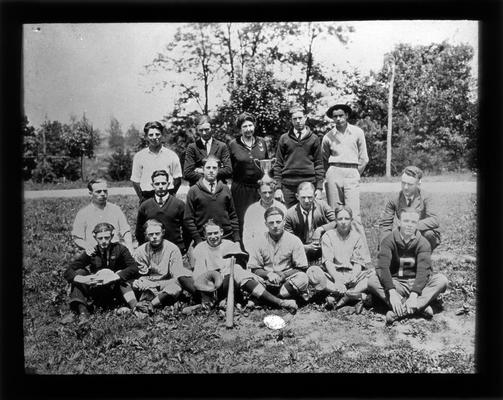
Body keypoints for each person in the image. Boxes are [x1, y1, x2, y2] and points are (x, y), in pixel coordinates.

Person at [191, 220, 298, 312]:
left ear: (221, 232)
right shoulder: (200, 248)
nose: (213, 237)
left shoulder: (229, 245)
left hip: (231, 282)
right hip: (212, 287)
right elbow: (199, 276)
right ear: (205, 235)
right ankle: (276, 301)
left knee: (236, 271)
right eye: (209, 234)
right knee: (232, 273)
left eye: (215, 233)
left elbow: (241, 266)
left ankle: (278, 302)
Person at [368, 207, 448, 325]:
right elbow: (382, 267)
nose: (409, 225)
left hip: (417, 285)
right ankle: (420, 307)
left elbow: (423, 271)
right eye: (406, 221)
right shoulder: (388, 240)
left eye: (413, 222)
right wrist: (392, 292)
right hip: (397, 283)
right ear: (399, 222)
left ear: (417, 224)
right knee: (372, 280)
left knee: (442, 280)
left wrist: (414, 294)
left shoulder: (423, 243)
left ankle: (401, 310)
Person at [64, 223, 141, 322]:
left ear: (112, 236)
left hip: (116, 288)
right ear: (94, 237)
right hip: (98, 288)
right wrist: (85, 279)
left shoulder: (120, 249)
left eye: (107, 237)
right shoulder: (92, 252)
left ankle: (134, 308)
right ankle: (83, 313)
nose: (104, 241)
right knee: (80, 272)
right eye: (100, 238)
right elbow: (68, 271)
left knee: (125, 279)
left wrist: (117, 276)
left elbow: (134, 267)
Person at [322, 103, 370, 261]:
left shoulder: (357, 132)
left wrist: (355, 173)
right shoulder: (328, 136)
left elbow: (364, 158)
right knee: (336, 215)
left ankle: (362, 256)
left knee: (353, 216)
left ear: (347, 116)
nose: (338, 119)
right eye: (335, 116)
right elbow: (324, 159)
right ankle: (338, 255)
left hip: (351, 172)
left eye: (341, 115)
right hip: (334, 172)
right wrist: (331, 173)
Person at [307, 205, 372, 312]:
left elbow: (358, 262)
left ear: (351, 220)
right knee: (312, 272)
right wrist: (337, 280)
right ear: (336, 220)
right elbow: (328, 261)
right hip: (333, 276)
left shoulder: (357, 237)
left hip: (352, 277)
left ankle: (339, 296)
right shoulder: (328, 236)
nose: (343, 222)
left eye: (346, 219)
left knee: (374, 274)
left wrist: (354, 276)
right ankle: (352, 295)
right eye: (340, 219)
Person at [247, 207, 309, 302]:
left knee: (303, 278)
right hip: (266, 279)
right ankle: (280, 299)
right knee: (246, 277)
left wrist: (283, 275)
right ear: (266, 224)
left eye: (278, 222)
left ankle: (268, 298)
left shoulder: (294, 240)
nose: (275, 226)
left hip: (286, 280)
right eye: (271, 223)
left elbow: (302, 268)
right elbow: (254, 268)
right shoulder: (258, 241)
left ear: (284, 222)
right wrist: (268, 274)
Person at [132, 219, 194, 312]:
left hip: (167, 284)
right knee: (136, 285)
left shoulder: (172, 249)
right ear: (146, 235)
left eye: (157, 233)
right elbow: (140, 275)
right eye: (151, 234)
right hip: (148, 285)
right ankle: (159, 302)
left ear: (163, 233)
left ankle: (150, 304)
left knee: (175, 288)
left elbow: (177, 277)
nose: (154, 237)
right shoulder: (140, 252)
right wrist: (140, 283)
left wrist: (157, 284)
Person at [378, 165, 440, 251]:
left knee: (429, 234)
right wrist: (384, 246)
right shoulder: (394, 199)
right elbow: (385, 224)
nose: (405, 187)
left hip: (422, 233)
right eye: (403, 183)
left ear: (418, 183)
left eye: (410, 184)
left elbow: (434, 220)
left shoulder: (426, 197)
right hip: (403, 236)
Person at [273, 106, 324, 208]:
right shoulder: (284, 138)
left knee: (309, 215)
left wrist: (319, 187)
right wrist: (278, 187)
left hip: (308, 184)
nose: (298, 121)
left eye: (300, 118)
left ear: (305, 118)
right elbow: (278, 164)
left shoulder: (314, 139)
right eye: (294, 119)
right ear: (291, 121)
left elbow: (319, 164)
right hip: (288, 186)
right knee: (288, 216)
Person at [228, 112, 270, 237]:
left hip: (259, 188)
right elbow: (229, 168)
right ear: (240, 129)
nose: (248, 129)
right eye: (244, 127)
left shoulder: (262, 142)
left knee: (261, 217)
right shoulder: (233, 145)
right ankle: (244, 251)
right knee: (243, 218)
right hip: (241, 189)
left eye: (250, 125)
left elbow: (266, 165)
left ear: (254, 126)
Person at [184, 156, 240, 247]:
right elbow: (188, 219)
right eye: (208, 167)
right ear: (203, 169)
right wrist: (198, 240)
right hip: (204, 240)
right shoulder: (194, 191)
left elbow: (233, 215)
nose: (211, 171)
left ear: (218, 170)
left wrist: (236, 239)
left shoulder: (225, 189)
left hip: (226, 238)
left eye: (214, 168)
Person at [72, 178, 133, 256]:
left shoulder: (116, 210)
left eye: (105, 191)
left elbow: (126, 231)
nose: (103, 194)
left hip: (115, 253)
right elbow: (77, 238)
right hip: (94, 253)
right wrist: (87, 246)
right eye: (98, 191)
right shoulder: (83, 213)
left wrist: (130, 247)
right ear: (90, 194)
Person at [135, 170, 187, 254]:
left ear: (168, 184)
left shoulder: (179, 205)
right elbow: (139, 232)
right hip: (152, 252)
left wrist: (182, 248)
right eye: (157, 184)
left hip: (175, 251)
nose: (160, 186)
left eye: (163, 183)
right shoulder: (145, 206)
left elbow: (186, 230)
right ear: (152, 185)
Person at [131, 120, 183, 203]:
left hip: (167, 196)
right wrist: (143, 199)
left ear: (162, 135)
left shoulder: (171, 155)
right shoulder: (139, 156)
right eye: (151, 135)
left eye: (157, 134)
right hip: (147, 197)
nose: (155, 137)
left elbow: (177, 179)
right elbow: (135, 181)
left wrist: (171, 195)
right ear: (146, 137)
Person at [284, 182, 336, 263]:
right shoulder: (290, 214)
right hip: (301, 248)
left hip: (322, 246)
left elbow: (337, 221)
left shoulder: (322, 205)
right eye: (303, 197)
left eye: (310, 197)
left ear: (315, 196)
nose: (306, 201)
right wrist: (304, 247)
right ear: (297, 197)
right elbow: (289, 238)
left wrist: (321, 229)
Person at [183, 115, 232, 186]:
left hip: (218, 188)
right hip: (198, 188)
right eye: (201, 130)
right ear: (197, 130)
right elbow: (187, 173)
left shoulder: (222, 146)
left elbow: (228, 170)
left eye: (206, 129)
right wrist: (214, 172)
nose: (204, 133)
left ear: (212, 128)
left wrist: (202, 171)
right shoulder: (192, 147)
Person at [242, 179, 287, 254]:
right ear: (259, 192)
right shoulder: (251, 210)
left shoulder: (282, 208)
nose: (267, 195)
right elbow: (247, 237)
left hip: (279, 251)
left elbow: (286, 233)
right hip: (257, 252)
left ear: (274, 192)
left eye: (270, 192)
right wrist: (254, 253)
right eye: (264, 192)